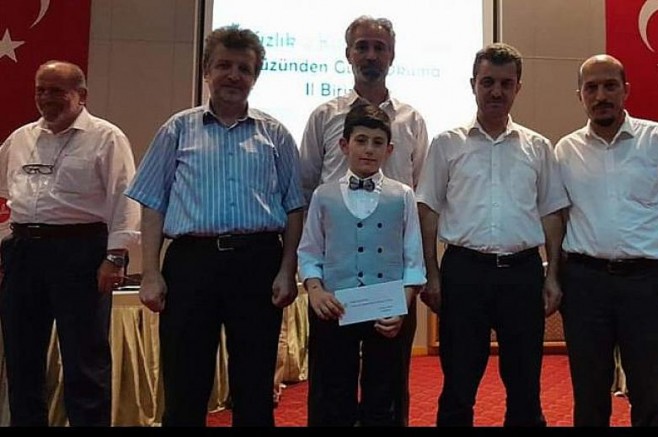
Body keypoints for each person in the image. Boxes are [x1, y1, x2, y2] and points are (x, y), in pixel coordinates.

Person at [124, 26, 305, 427]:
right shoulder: (177, 129)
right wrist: (150, 272)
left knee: (254, 387)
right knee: (184, 384)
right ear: (206, 71)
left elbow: (295, 208)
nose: (234, 75)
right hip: (192, 264)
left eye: (244, 68)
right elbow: (152, 203)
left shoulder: (275, 134)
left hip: (258, 263)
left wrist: (287, 269)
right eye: (224, 65)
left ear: (255, 77)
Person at [416, 43, 569, 427]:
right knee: (458, 383)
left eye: (505, 83)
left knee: (525, 386)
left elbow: (552, 214)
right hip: (463, 273)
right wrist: (431, 273)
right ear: (473, 84)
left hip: (522, 275)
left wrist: (553, 275)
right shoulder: (447, 143)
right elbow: (428, 210)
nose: (496, 91)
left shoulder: (538, 147)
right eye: (487, 82)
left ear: (518, 87)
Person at [554, 54, 658, 427]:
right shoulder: (565, 150)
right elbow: (559, 220)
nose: (601, 95)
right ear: (579, 95)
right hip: (585, 283)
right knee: (589, 394)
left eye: (610, 86)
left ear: (626, 90)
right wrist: (554, 276)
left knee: (649, 393)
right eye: (591, 88)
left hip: (647, 284)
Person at [299, 15, 429, 426]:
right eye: (362, 46)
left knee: (387, 392)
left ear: (392, 54)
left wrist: (405, 297)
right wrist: (314, 287)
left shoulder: (412, 120)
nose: (371, 55)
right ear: (348, 53)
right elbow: (306, 188)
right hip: (334, 294)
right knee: (330, 389)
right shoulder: (324, 116)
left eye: (379, 47)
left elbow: (420, 197)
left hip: (388, 294)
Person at [0, 60, 140, 426]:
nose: (47, 98)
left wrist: (115, 257)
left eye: (57, 91)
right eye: (40, 90)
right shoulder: (20, 138)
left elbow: (125, 199)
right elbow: (5, 196)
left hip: (80, 251)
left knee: (85, 359)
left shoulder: (106, 137)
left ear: (82, 95)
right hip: (23, 252)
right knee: (21, 357)